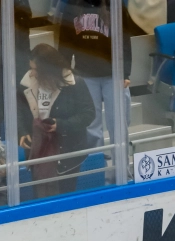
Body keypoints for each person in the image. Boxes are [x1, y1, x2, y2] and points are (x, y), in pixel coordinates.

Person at [56, 0, 139, 149]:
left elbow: (125, 42)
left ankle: (122, 166)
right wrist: (64, 71)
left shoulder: (115, 6)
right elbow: (65, 43)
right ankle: (96, 166)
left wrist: (125, 73)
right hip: (85, 75)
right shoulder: (72, 7)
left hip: (114, 75)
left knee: (119, 125)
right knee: (90, 126)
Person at [18, 44, 94, 198]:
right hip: (39, 152)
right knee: (41, 198)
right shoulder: (27, 82)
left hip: (67, 153)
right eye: (30, 68)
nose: (31, 73)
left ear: (48, 69)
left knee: (64, 198)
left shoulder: (75, 83)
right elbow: (19, 111)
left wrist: (61, 125)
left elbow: (88, 114)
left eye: (35, 69)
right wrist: (22, 131)